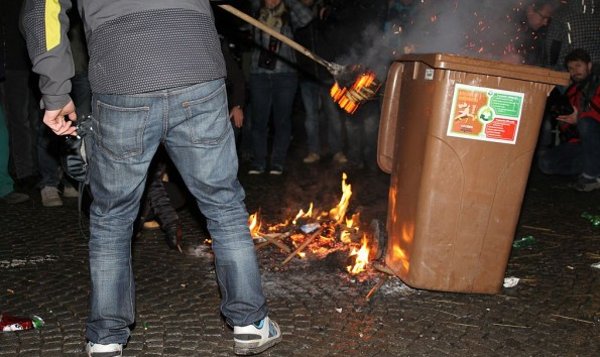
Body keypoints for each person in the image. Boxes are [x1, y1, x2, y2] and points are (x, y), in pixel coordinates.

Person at [23, 1, 281, 356]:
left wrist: (54, 91)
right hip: (195, 70)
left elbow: (42, 8)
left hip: (123, 76)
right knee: (223, 204)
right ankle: (251, 323)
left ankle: (106, 337)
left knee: (112, 216)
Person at [247, 0, 313, 175]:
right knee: (259, 121)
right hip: (259, 74)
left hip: (285, 75)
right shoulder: (255, 12)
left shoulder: (289, 15)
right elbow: (239, 22)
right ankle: (259, 162)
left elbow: (307, 17)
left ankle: (278, 162)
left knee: (282, 121)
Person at [538, 49, 600, 192]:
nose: (574, 71)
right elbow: (571, 130)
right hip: (583, 145)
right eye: (571, 68)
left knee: (586, 122)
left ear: (589, 66)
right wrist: (564, 123)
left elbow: (589, 119)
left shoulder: (597, 84)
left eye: (578, 66)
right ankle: (592, 169)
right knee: (545, 163)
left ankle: (590, 176)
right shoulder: (572, 91)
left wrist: (579, 119)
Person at [295, 0, 348, 165]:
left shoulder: (328, 11)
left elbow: (337, 38)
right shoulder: (296, 15)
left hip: (326, 76)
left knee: (333, 115)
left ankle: (337, 151)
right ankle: (314, 151)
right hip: (307, 73)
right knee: (311, 117)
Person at [545, 0, 600, 70]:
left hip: (569, 73)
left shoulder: (562, 13)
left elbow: (552, 53)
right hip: (594, 74)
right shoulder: (562, 14)